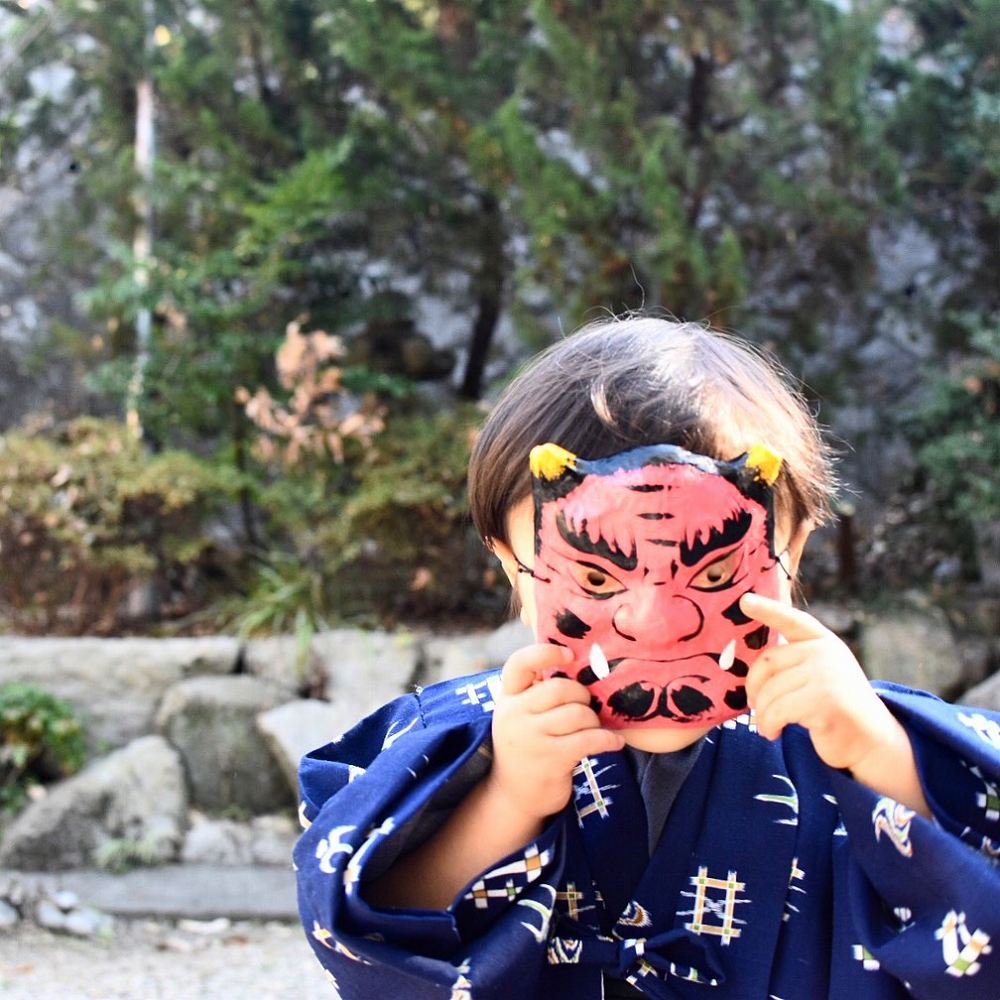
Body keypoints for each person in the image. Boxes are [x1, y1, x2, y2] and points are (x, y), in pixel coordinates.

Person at [294, 316, 1000, 999]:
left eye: (718, 573)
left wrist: (885, 760)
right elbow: (370, 933)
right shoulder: (456, 744)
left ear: (793, 548)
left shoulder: (855, 736)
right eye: (597, 578)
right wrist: (505, 800)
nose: (656, 622)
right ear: (514, 567)